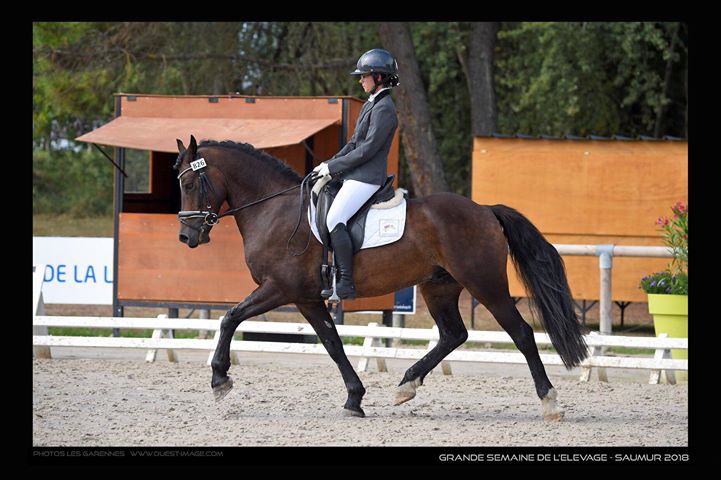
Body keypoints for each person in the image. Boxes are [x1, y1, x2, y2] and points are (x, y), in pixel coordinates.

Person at [312, 48, 400, 300]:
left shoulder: (385, 109)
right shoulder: (370, 105)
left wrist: (334, 168)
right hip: (354, 174)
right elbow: (353, 143)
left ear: (379, 77)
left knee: (334, 218)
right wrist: (328, 164)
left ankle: (345, 282)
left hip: (367, 177)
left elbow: (368, 150)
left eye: (364, 76)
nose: (360, 80)